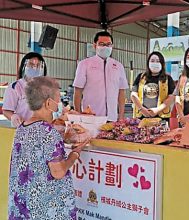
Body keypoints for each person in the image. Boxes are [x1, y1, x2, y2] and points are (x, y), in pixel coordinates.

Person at [8, 76, 88, 219]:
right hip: (45, 209)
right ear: (49, 103)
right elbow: (58, 172)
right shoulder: (49, 132)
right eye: (58, 100)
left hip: (24, 207)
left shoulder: (21, 128)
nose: (59, 105)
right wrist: (74, 155)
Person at [73, 31, 129, 121]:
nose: (105, 47)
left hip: (112, 118)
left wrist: (121, 116)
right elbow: (77, 91)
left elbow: (121, 92)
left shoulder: (118, 66)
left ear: (112, 46)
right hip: (90, 117)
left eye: (108, 44)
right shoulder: (84, 64)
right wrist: (78, 115)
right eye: (102, 44)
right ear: (95, 46)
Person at [3, 52, 47, 127]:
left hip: (42, 129)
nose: (34, 68)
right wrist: (13, 117)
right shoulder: (15, 87)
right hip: (22, 129)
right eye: (31, 65)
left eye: (38, 65)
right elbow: (6, 110)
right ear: (24, 66)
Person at [131, 52, 175, 120]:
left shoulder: (167, 78)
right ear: (148, 63)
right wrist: (142, 109)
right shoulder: (141, 77)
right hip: (142, 116)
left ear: (162, 64)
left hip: (161, 117)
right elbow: (133, 95)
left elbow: (172, 97)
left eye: (158, 61)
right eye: (152, 61)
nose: (155, 63)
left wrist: (158, 110)